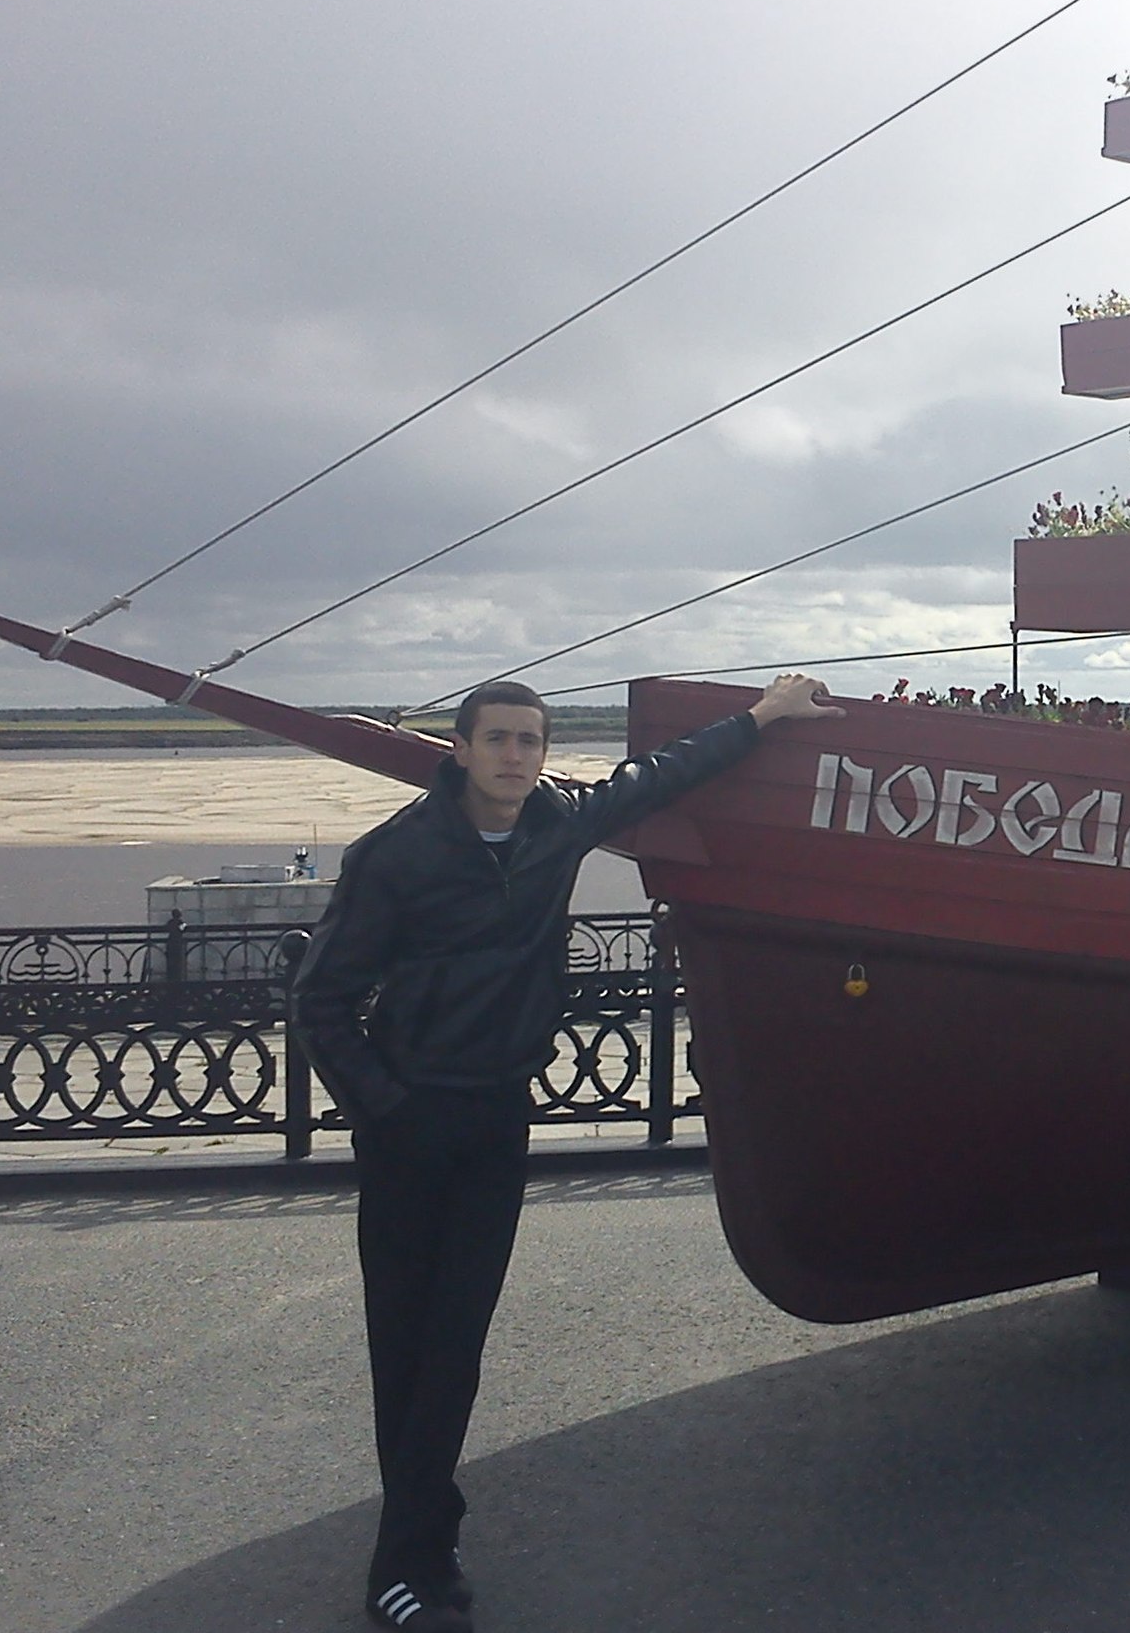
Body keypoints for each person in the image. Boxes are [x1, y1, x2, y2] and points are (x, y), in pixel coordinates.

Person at [292, 672, 841, 1631]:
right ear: (459, 750)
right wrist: (384, 1107)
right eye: (496, 739)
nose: (514, 756)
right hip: (410, 1128)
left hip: (497, 1118)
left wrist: (763, 716)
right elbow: (320, 999)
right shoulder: (396, 855)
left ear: (543, 754)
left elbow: (661, 774)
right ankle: (404, 1565)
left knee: (455, 1344)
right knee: (407, 1342)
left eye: (529, 741)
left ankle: (424, 1538)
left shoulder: (558, 825)